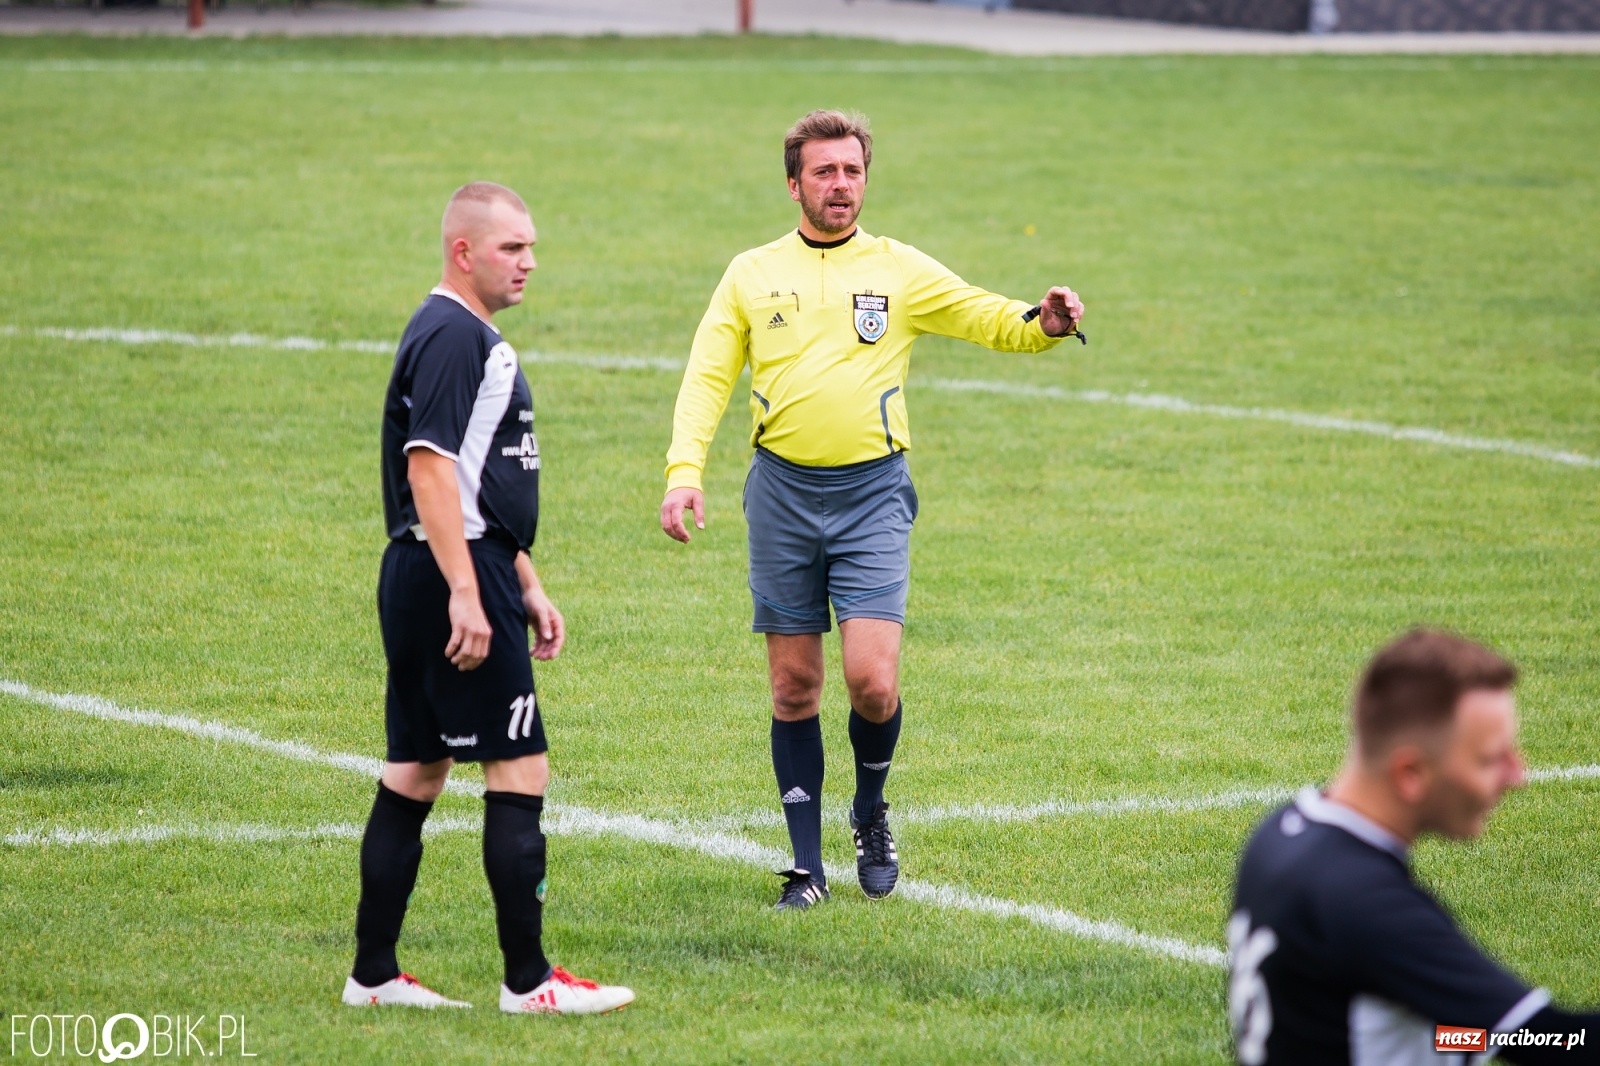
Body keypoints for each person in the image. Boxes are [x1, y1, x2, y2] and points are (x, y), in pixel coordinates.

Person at [659, 110, 1086, 910]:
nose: (840, 185)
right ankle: (806, 866)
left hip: (872, 498)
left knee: (872, 682)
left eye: (851, 171)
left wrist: (1044, 324)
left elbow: (985, 315)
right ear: (794, 184)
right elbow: (707, 377)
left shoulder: (897, 268)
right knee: (793, 687)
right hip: (782, 495)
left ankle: (870, 809)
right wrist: (685, 471)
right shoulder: (751, 272)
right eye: (824, 172)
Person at [343, 181, 632, 1015]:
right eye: (512, 248)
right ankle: (530, 982)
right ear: (463, 251)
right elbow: (429, 467)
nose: (529, 261)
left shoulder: (462, 334)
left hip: (439, 569)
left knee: (417, 770)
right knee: (518, 765)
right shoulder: (454, 336)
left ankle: (373, 975)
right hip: (448, 575)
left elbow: (475, 478)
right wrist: (470, 592)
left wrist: (525, 580)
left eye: (532, 246)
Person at [1228, 629, 1598, 1065]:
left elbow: (1414, 1026)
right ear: (1411, 774)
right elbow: (1557, 1041)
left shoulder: (1281, 835)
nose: (1518, 776)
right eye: (1490, 759)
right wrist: (1523, 1034)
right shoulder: (1365, 904)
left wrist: (1488, 1035)